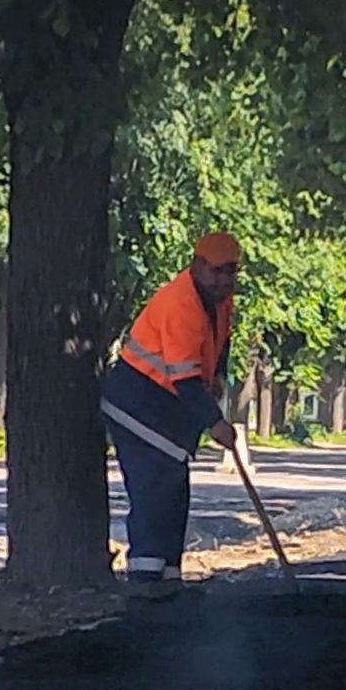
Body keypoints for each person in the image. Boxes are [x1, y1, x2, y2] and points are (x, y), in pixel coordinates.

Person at [103, 232, 242, 585]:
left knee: (174, 490)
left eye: (230, 271)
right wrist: (215, 423)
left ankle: (167, 577)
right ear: (196, 266)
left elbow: (220, 343)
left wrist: (219, 377)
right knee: (156, 488)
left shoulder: (220, 301)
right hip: (139, 405)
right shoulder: (181, 304)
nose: (224, 279)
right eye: (216, 271)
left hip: (164, 408)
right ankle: (145, 580)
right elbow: (183, 378)